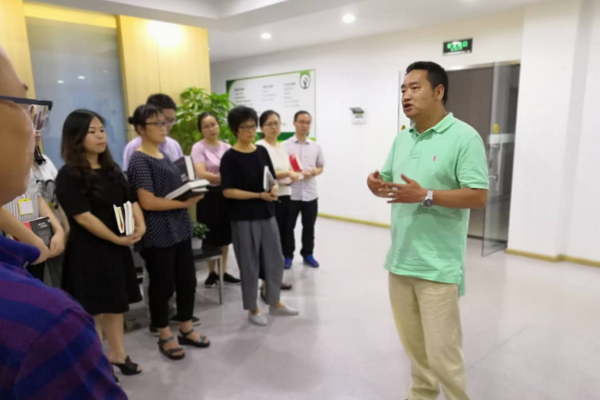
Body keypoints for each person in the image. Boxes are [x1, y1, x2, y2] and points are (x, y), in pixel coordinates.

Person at [0, 45, 126, 399]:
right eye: (25, 107)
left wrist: (57, 229)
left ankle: (119, 351)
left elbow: (41, 199)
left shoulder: (109, 168)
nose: (35, 126)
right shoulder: (46, 325)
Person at [367, 61, 488, 400]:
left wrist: (426, 195)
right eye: (403, 89)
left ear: (438, 91)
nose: (406, 95)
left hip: (437, 265)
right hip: (400, 260)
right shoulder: (402, 138)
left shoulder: (464, 137)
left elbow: (478, 196)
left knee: (443, 355)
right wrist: (374, 184)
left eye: (415, 87)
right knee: (415, 349)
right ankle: (421, 395)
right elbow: (388, 181)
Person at [56, 109, 145, 378]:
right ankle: (97, 364)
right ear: (76, 137)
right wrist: (116, 238)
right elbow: (82, 217)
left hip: (116, 250)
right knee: (93, 310)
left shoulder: (111, 169)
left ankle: (118, 354)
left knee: (116, 305)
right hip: (88, 253)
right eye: (92, 132)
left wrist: (140, 225)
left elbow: (130, 199)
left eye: (102, 130)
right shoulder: (68, 174)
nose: (100, 136)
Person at [127, 104, 210, 360]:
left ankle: (185, 326)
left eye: (165, 123)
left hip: (179, 228)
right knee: (162, 285)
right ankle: (164, 333)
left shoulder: (163, 154)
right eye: (157, 124)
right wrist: (184, 203)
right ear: (141, 129)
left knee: (187, 280)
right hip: (157, 231)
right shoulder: (139, 159)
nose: (164, 128)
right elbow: (148, 201)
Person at [221, 105, 299, 326]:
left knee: (275, 259)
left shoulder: (261, 151)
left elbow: (271, 177)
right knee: (249, 264)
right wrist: (258, 195)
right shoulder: (230, 157)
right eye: (244, 127)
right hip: (244, 218)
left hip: (267, 214)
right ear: (235, 129)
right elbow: (228, 191)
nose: (250, 131)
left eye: (252, 126)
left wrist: (272, 188)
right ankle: (253, 308)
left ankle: (275, 302)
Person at [191, 112, 241, 288]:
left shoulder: (227, 147)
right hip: (208, 196)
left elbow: (235, 171)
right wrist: (224, 177)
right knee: (210, 236)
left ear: (219, 125)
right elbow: (202, 173)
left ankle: (223, 272)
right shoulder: (198, 148)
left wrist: (225, 178)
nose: (211, 129)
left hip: (225, 195)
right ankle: (211, 272)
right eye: (206, 126)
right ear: (201, 130)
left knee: (225, 236)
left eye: (213, 124)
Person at [256, 110, 298, 296]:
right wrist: (287, 173)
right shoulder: (260, 147)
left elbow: (287, 169)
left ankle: (276, 278)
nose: (274, 127)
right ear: (262, 127)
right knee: (269, 242)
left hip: (286, 195)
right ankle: (266, 282)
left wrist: (291, 176)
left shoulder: (282, 147)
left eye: (277, 123)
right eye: (269, 124)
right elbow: (264, 173)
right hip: (270, 198)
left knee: (281, 239)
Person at [3, 172, 66, 282]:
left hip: (36, 241)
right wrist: (33, 240)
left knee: (34, 286)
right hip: (9, 244)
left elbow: (37, 197)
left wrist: (59, 230)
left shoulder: (28, 166)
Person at [283, 110, 325, 269]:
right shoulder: (285, 146)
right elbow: (281, 168)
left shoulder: (316, 146)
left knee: (309, 227)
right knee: (288, 227)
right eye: (301, 122)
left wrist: (315, 172)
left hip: (310, 194)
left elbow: (321, 166)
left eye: (307, 123)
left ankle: (308, 254)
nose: (304, 125)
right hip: (291, 194)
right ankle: (288, 255)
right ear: (294, 123)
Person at [30, 128, 70, 287]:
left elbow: (58, 198)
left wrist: (65, 229)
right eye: (31, 125)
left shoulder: (44, 161)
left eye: (39, 126)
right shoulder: (15, 166)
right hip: (29, 233)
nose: (37, 131)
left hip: (53, 228)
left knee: (61, 281)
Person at [122, 93, 183, 171]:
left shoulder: (173, 144)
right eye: (161, 122)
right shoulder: (133, 147)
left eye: (171, 121)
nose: (167, 125)